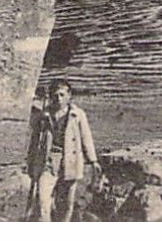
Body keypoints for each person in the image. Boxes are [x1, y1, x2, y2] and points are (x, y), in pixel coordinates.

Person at [26, 79, 99, 222]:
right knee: (43, 199)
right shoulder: (44, 115)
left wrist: (93, 160)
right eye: (55, 95)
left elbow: (86, 137)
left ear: (69, 96)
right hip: (47, 160)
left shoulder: (77, 115)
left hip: (70, 161)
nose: (58, 99)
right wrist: (30, 163)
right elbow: (34, 141)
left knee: (66, 203)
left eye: (62, 95)